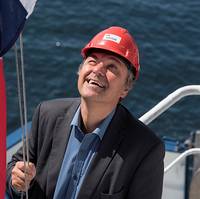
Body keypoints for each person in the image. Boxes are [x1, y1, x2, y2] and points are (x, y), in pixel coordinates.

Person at [6, 26, 165, 199]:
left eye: (111, 67)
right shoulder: (47, 115)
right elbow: (15, 167)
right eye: (92, 61)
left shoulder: (145, 149)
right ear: (80, 70)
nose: (97, 70)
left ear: (126, 88)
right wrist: (19, 182)